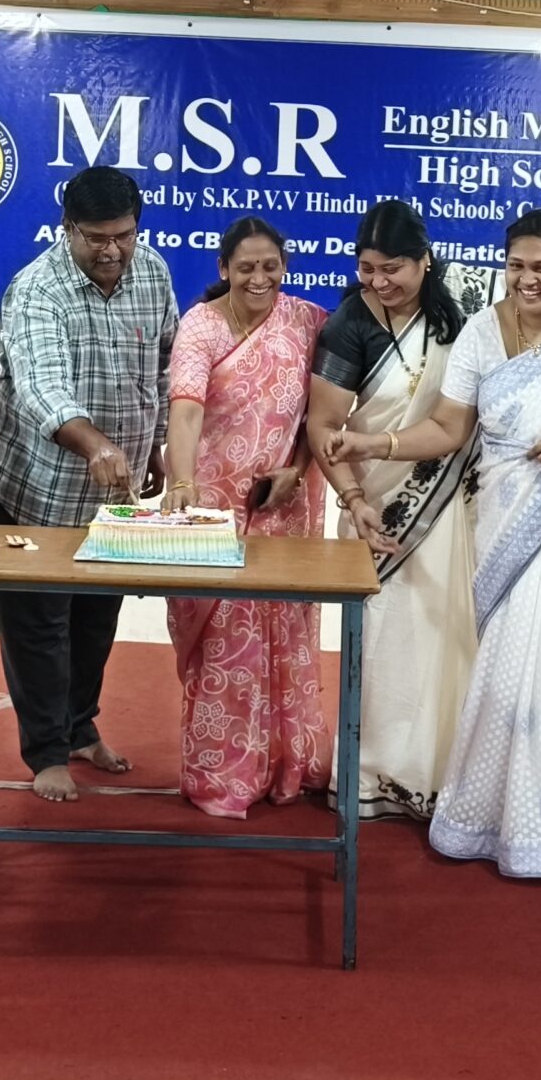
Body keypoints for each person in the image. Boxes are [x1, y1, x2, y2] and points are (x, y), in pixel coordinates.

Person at [333, 210, 541, 876]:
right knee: (504, 661)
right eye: (516, 266)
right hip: (499, 518)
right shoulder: (481, 329)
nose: (527, 280)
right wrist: (375, 443)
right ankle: (490, 812)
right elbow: (449, 428)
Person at [0, 165, 180, 803]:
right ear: (68, 228)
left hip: (113, 493)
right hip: (35, 489)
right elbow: (41, 387)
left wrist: (155, 443)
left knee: (96, 618)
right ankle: (46, 753)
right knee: (40, 624)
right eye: (96, 238)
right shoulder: (37, 289)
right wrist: (96, 444)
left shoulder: (153, 273)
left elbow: (165, 364)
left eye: (123, 235)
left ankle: (80, 727)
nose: (112, 250)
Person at [303, 200, 500, 822]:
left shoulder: (464, 311)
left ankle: (443, 778)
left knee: (448, 634)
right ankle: (372, 775)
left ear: (426, 261)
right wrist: (355, 499)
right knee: (386, 641)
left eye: (393, 269)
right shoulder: (349, 325)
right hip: (376, 508)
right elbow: (323, 427)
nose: (379, 281)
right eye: (367, 268)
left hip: (452, 507)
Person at [162, 218, 331, 817]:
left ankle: (288, 765)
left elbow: (323, 416)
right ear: (224, 269)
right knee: (224, 646)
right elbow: (186, 411)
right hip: (213, 508)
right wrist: (182, 485)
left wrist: (298, 469)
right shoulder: (201, 325)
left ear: (284, 266)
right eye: (246, 267)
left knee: (285, 634)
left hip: (284, 504)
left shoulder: (309, 322)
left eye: (270, 267)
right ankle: (224, 773)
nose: (259, 278)